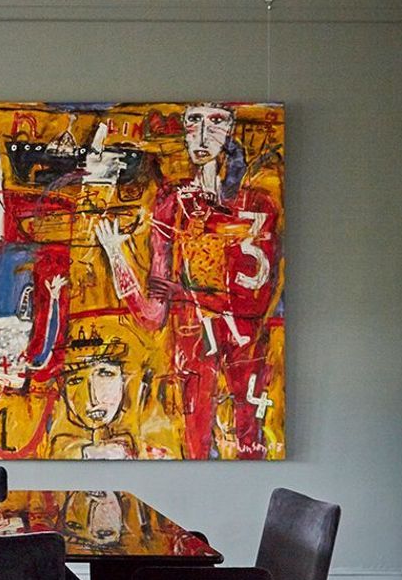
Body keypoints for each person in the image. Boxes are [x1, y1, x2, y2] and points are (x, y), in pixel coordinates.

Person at [94, 104, 282, 459]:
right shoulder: (171, 205)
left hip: (244, 350)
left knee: (250, 445)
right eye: (193, 120)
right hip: (192, 353)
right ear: (182, 129)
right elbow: (153, 315)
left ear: (230, 130)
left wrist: (187, 293)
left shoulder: (258, 205)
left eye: (216, 121)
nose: (202, 132)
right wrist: (116, 255)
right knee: (196, 450)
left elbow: (253, 303)